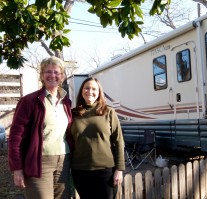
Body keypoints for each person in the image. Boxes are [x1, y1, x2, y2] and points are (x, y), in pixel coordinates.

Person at [8, 56, 72, 199]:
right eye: (48, 72)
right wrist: (17, 168)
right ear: (42, 75)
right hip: (39, 161)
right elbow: (15, 136)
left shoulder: (66, 102)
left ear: (62, 76)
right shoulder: (29, 101)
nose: (52, 76)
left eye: (56, 72)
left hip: (64, 161)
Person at [70, 77, 125, 199]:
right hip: (80, 171)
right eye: (87, 88)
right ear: (82, 91)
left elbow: (119, 141)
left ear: (99, 92)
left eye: (94, 89)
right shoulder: (73, 114)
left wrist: (119, 169)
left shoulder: (109, 112)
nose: (90, 91)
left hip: (105, 171)